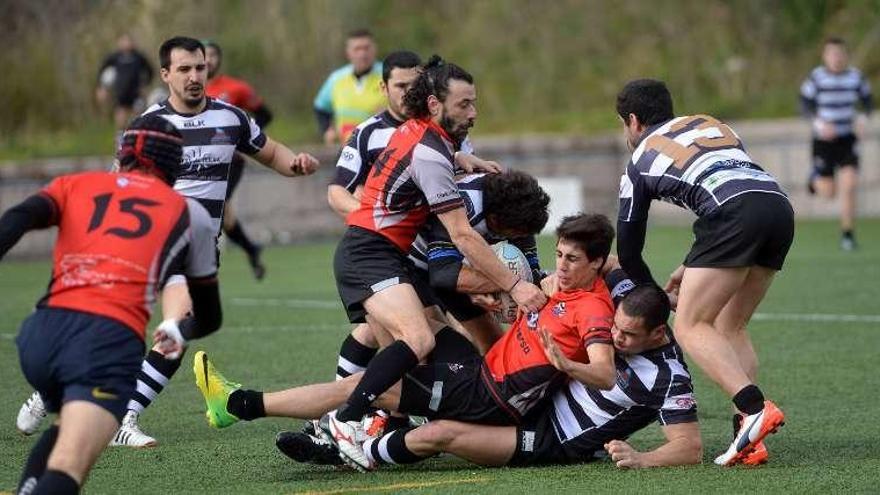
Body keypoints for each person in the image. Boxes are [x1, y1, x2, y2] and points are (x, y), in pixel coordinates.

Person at [15, 36, 320, 448]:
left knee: (181, 326)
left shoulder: (231, 118)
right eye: (184, 69)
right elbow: (116, 186)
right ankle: (91, 404)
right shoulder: (147, 126)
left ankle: (92, 404)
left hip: (198, 248)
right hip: (149, 245)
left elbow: (272, 153)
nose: (195, 77)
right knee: (135, 323)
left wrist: (297, 164)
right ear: (165, 75)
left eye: (200, 68)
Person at [194, 213, 617, 472]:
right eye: (559, 254)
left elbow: (604, 371)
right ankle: (370, 422)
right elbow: (607, 266)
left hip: (486, 397)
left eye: (572, 259)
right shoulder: (563, 285)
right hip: (480, 371)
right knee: (410, 320)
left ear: (594, 263)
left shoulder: (593, 309)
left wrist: (566, 363)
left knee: (363, 386)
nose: (560, 266)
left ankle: (240, 405)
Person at [326, 55, 547, 467]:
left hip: (382, 253)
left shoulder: (423, 134)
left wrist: (463, 160)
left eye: (474, 102)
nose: (474, 113)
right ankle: (346, 419)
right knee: (421, 341)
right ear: (433, 104)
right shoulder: (431, 153)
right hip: (370, 252)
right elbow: (462, 234)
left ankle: (350, 434)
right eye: (464, 104)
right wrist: (514, 285)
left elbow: (427, 153)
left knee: (419, 356)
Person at [3, 115, 222, 494]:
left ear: (121, 155)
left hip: (39, 335)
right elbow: (209, 316)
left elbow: (17, 218)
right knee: (70, 466)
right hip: (104, 342)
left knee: (66, 434)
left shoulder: (76, 184)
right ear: (175, 165)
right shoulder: (191, 214)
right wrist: (177, 328)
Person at [292, 282, 702, 470]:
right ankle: (334, 427)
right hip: (527, 401)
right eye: (616, 327)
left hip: (551, 440)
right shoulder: (620, 309)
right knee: (389, 375)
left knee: (438, 435)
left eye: (629, 336)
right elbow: (608, 263)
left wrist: (642, 458)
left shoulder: (669, 377)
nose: (616, 338)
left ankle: (355, 453)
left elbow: (689, 448)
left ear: (659, 333)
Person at [615, 79, 793, 466]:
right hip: (777, 205)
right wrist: (694, 263)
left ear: (632, 121)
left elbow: (628, 251)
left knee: (690, 325)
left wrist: (655, 303)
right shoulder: (710, 123)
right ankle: (749, 437)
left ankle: (755, 408)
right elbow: (728, 181)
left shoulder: (639, 159)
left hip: (733, 216)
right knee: (731, 326)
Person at [204, 40, 273, 279]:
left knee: (215, 205)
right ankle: (252, 249)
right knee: (225, 215)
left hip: (232, 160)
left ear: (219, 59)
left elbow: (265, 113)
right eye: (205, 55)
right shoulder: (189, 90)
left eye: (213, 55)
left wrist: (244, 140)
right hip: (201, 161)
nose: (209, 60)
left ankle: (205, 260)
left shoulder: (235, 88)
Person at [800, 37, 873, 251]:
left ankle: (848, 235)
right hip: (824, 141)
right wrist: (819, 123)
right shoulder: (816, 77)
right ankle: (814, 180)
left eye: (840, 54)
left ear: (846, 55)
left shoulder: (856, 77)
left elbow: (868, 101)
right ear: (825, 56)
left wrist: (863, 120)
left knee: (849, 185)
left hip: (848, 139)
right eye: (832, 54)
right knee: (828, 192)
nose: (836, 58)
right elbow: (804, 103)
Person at [314, 29, 385, 145]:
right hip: (344, 150)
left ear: (374, 49)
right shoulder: (336, 78)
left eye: (366, 48)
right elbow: (320, 108)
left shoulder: (388, 75)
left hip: (380, 149)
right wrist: (326, 130)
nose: (362, 54)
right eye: (357, 49)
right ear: (348, 52)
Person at [96, 33, 154, 131]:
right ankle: (120, 140)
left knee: (138, 120)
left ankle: (137, 140)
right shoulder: (114, 57)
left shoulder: (139, 57)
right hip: (120, 93)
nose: (126, 43)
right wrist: (101, 88)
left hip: (136, 93)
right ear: (119, 43)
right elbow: (102, 71)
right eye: (123, 41)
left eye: (128, 41)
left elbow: (150, 71)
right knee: (121, 120)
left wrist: (145, 85)